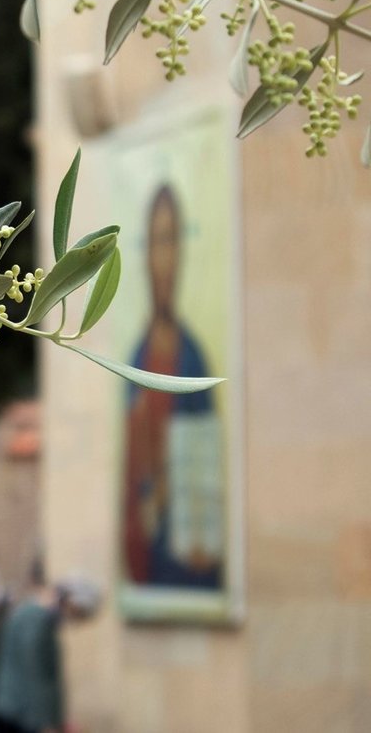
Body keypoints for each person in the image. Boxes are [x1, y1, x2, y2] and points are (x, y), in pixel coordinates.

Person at [122, 184, 224, 590]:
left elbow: (206, 466)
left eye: (171, 240)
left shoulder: (193, 360)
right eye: (156, 242)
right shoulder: (135, 358)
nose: (164, 258)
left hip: (186, 558)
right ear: (145, 254)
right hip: (144, 558)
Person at [0, 573, 98, 733]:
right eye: (77, 612)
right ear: (67, 600)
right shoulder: (35, 618)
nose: (75, 618)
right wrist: (44, 724)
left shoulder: (44, 621)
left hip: (25, 717)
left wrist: (59, 721)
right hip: (17, 717)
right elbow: (33, 673)